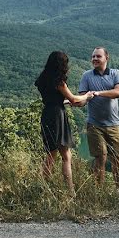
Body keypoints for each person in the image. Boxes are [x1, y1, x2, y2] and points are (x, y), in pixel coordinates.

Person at [35, 51, 94, 193]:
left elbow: (54, 99)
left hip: (47, 114)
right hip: (57, 116)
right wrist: (87, 96)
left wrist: (67, 101)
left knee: (52, 153)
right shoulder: (59, 81)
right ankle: (70, 190)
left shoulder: (42, 79)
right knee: (63, 155)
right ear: (61, 64)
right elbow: (73, 99)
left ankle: (44, 188)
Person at [77, 47, 119, 186]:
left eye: (98, 56)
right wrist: (76, 102)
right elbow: (84, 98)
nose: (95, 59)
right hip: (94, 125)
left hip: (114, 124)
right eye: (93, 57)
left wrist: (97, 93)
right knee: (100, 158)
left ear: (106, 58)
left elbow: (118, 92)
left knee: (116, 158)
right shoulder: (86, 76)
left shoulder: (116, 73)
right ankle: (99, 190)